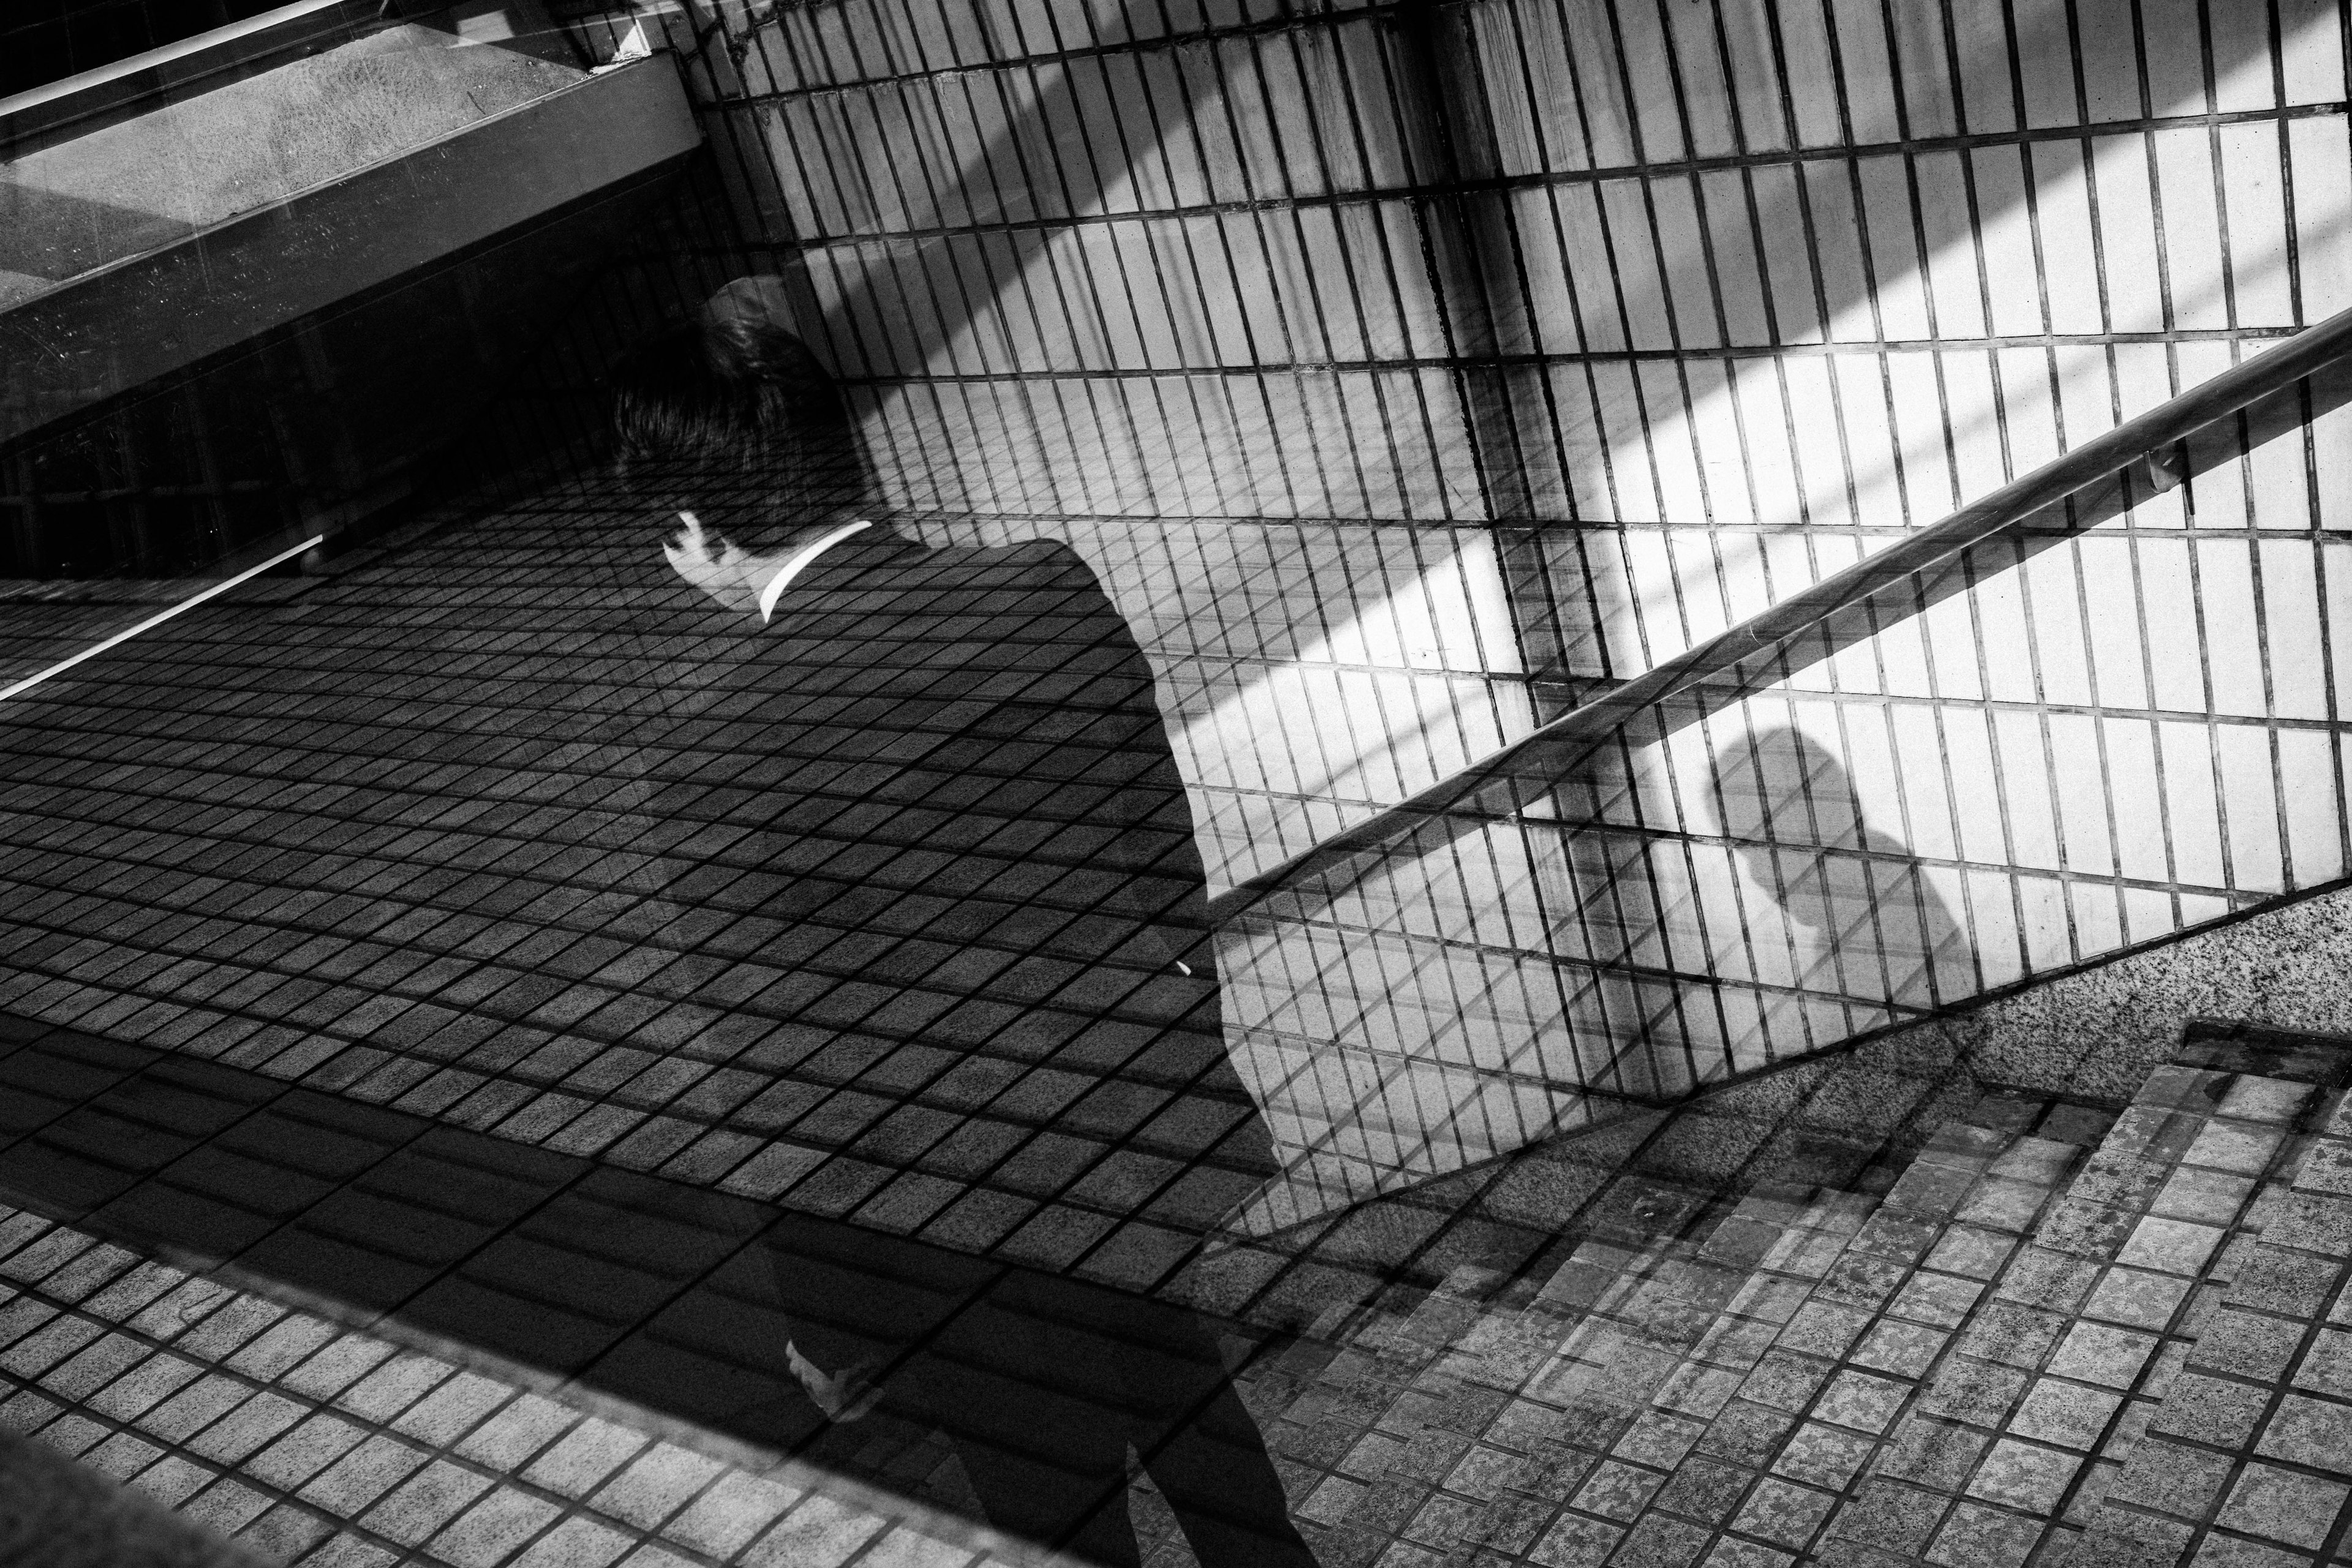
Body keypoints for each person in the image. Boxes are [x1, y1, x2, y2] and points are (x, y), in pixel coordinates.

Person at [608, 277, 1317, 1568]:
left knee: (1050, 1502)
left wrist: (828, 1318)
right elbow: (1160, 865)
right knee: (1182, 1392)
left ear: (699, 530)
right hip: (1128, 1124)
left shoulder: (716, 755)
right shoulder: (1043, 593)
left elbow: (784, 1062)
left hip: (960, 1205)